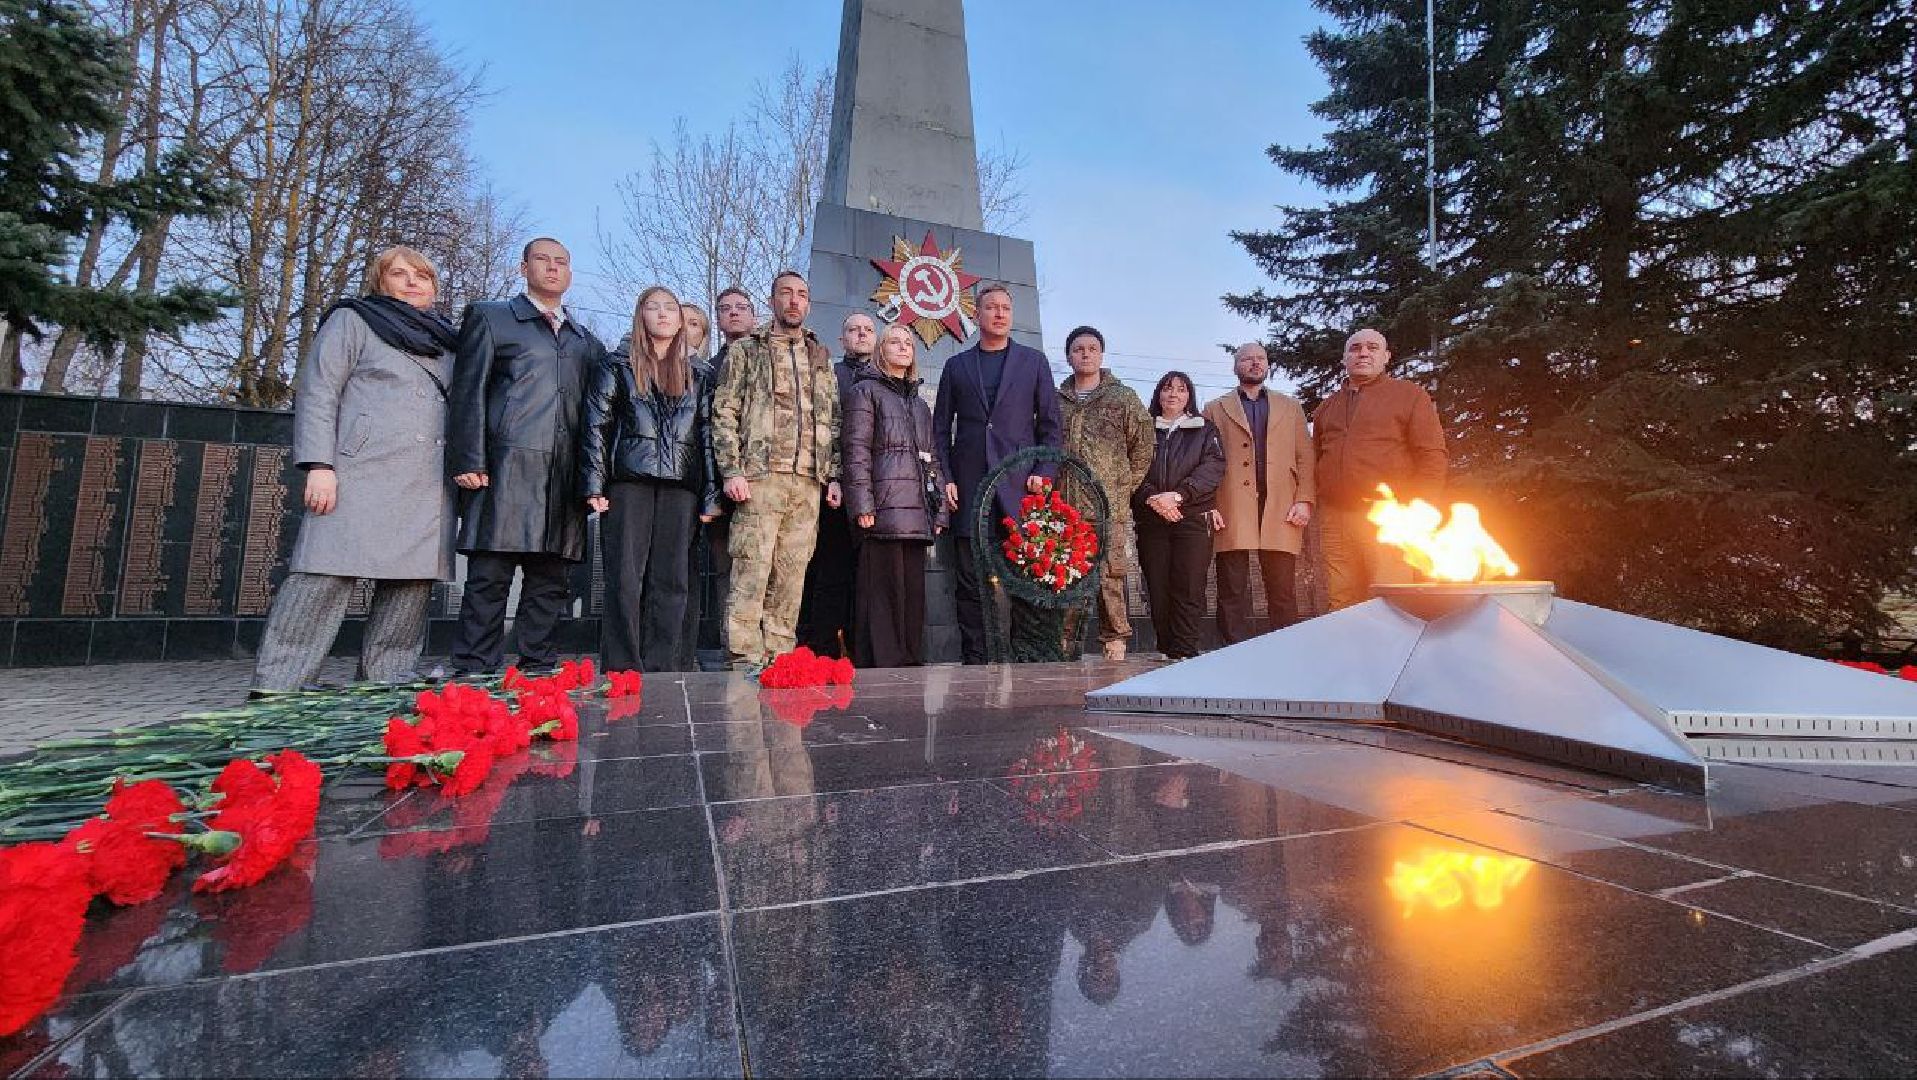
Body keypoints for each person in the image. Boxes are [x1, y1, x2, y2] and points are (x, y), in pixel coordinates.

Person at [251, 245, 458, 692]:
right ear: (379, 281)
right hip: (358, 471)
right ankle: (278, 686)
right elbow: (319, 391)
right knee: (322, 577)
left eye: (421, 275)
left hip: (427, 480)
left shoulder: (448, 340)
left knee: (409, 587)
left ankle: (383, 685)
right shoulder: (353, 320)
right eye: (399, 273)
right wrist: (320, 464)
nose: (411, 282)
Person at [446, 237, 603, 675]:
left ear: (569, 275)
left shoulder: (585, 341)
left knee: (549, 582)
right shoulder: (492, 318)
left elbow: (594, 416)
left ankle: (537, 669)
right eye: (543, 260)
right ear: (523, 267)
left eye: (561, 262)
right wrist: (468, 458)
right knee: (488, 579)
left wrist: (592, 479)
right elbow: (468, 391)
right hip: (503, 470)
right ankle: (475, 670)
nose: (552, 268)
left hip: (562, 476)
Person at [581, 285, 721, 671]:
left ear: (681, 321)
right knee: (625, 579)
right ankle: (623, 666)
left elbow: (708, 435)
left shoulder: (699, 374)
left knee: (672, 581)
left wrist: (711, 495)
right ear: (640, 315)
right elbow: (598, 425)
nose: (662, 314)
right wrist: (594, 483)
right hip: (630, 483)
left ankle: (664, 667)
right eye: (653, 307)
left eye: (670, 309)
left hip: (682, 487)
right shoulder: (618, 365)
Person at [710, 270, 842, 675]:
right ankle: (743, 657)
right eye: (786, 293)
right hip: (760, 478)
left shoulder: (821, 357)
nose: (794, 301)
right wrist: (731, 469)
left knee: (792, 572)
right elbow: (724, 411)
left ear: (808, 303)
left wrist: (833, 475)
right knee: (752, 567)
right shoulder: (747, 350)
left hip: (806, 482)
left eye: (802, 294)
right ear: (773, 301)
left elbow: (832, 419)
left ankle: (780, 656)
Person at [932, 283, 1064, 663]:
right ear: (977, 314)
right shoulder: (956, 366)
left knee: (1026, 573)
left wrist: (1045, 471)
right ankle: (977, 658)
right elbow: (941, 429)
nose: (1000, 314)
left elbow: (1051, 427)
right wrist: (946, 478)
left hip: (1021, 487)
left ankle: (1026, 652)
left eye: (1006, 307)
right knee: (971, 579)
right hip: (970, 487)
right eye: (992, 307)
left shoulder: (1033, 362)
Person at [1312, 327, 1448, 609]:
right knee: (1341, 600)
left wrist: (1422, 509)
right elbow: (1316, 458)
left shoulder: (1410, 396)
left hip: (1389, 518)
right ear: (1344, 359)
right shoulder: (1327, 407)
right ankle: (1348, 654)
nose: (1363, 352)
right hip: (1335, 520)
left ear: (1386, 356)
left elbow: (1432, 455)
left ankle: (1392, 654)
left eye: (1372, 348)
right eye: (1355, 348)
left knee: (1392, 599)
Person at [842, 323, 948, 667]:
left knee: (912, 599)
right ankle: (880, 673)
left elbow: (933, 460)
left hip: (917, 515)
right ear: (880, 349)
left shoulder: (920, 405)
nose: (903, 347)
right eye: (894, 342)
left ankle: (910, 668)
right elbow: (855, 451)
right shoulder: (865, 392)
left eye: (908, 343)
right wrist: (862, 503)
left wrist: (940, 511)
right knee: (882, 599)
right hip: (881, 512)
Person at [1201, 343, 1316, 644]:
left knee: (1282, 588)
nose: (1254, 363)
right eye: (1247, 359)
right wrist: (1210, 504)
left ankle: (1285, 649)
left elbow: (1305, 456)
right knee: (1232, 587)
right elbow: (1204, 459)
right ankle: (1233, 650)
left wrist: (1304, 499)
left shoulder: (1290, 406)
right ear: (1235, 366)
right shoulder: (1215, 407)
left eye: (1260, 359)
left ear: (1267, 365)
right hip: (1232, 505)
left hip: (1281, 504)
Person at [1055, 325, 1154, 660]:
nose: (1085, 354)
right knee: (1067, 572)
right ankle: (1066, 641)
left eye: (1092, 348)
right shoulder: (1057, 400)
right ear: (1068, 356)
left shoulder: (1122, 397)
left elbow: (1143, 447)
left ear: (1101, 354)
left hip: (1109, 504)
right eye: (1078, 349)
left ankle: (1115, 639)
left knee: (1110, 573)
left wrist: (1123, 486)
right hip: (1066, 504)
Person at [796, 311, 877, 657]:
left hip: (877, 491)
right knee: (829, 572)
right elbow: (821, 429)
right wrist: (833, 475)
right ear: (841, 339)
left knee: (867, 577)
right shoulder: (829, 376)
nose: (860, 334)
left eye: (867, 329)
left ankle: (863, 652)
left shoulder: (884, 378)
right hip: (834, 491)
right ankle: (822, 651)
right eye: (853, 329)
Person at [689, 287, 759, 670]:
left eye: (741, 308)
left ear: (753, 315)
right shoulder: (708, 368)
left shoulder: (770, 358)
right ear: (718, 319)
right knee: (725, 571)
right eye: (725, 309)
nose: (734, 314)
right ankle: (728, 651)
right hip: (720, 488)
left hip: (766, 484)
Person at [1134, 371, 1225, 659]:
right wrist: (1153, 498)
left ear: (1189, 396)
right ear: (1158, 394)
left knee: (1188, 585)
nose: (1173, 394)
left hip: (1193, 518)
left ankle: (1185, 650)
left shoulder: (1205, 429)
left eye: (1181, 389)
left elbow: (1213, 468)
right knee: (1157, 585)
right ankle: (1165, 648)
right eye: (1167, 388)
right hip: (1152, 520)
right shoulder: (1143, 429)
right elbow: (1132, 469)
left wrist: (1178, 496)